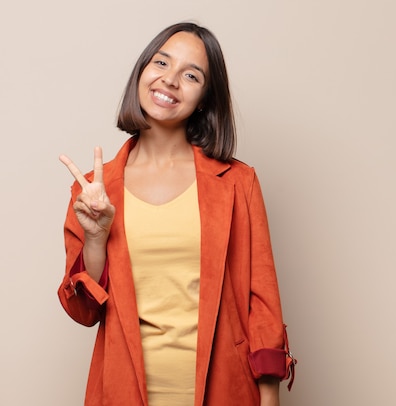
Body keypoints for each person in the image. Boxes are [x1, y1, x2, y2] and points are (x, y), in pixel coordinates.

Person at [58, 22, 295, 406]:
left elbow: (262, 302)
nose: (170, 80)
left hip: (225, 391)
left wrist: (269, 399)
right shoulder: (93, 193)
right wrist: (96, 236)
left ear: (203, 98)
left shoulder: (238, 182)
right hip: (122, 391)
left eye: (190, 75)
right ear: (142, 73)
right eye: (161, 63)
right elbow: (84, 312)